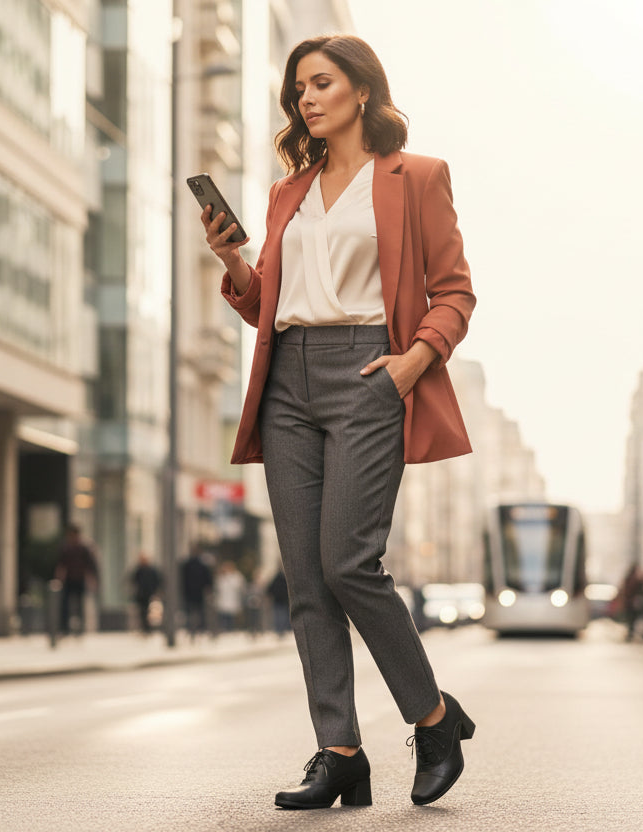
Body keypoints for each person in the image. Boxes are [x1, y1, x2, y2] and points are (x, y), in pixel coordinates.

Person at [199, 35, 477, 808]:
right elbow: (268, 305)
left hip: (369, 373)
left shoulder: (416, 178)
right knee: (305, 580)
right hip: (287, 377)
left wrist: (409, 366)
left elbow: (455, 294)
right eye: (299, 90)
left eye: (321, 84)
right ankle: (339, 751)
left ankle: (432, 719)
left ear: (362, 91)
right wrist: (232, 262)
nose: (307, 100)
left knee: (348, 562)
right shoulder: (289, 190)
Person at [55, 523, 98, 636]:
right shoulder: (65, 548)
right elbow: (61, 564)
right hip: (68, 579)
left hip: (80, 579)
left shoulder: (84, 548)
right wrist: (59, 578)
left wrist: (91, 579)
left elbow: (90, 565)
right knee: (65, 605)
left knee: (79, 605)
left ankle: (79, 629)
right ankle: (65, 629)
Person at [180, 546, 213, 642]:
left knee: (190, 612)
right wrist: (208, 589)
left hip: (189, 592)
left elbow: (182, 579)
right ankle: (200, 629)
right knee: (200, 612)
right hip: (198, 593)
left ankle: (191, 629)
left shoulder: (187, 565)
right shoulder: (202, 565)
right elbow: (208, 580)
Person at [128, 553, 162, 635]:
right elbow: (133, 580)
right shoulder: (139, 570)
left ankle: (147, 628)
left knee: (147, 611)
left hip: (148, 593)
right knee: (142, 612)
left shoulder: (151, 570)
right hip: (141, 594)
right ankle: (144, 628)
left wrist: (157, 591)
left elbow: (157, 581)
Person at [213, 561, 247, 633]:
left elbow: (240, 587)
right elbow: (217, 588)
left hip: (233, 601)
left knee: (232, 618)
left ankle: (232, 630)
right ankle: (225, 630)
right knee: (223, 617)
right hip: (223, 601)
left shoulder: (237, 576)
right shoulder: (220, 577)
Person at [266, 568, 291, 638]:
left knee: (277, 616)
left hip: (277, 601)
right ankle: (282, 630)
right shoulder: (284, 580)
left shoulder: (275, 580)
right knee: (283, 616)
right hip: (283, 601)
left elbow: (269, 589)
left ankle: (279, 630)